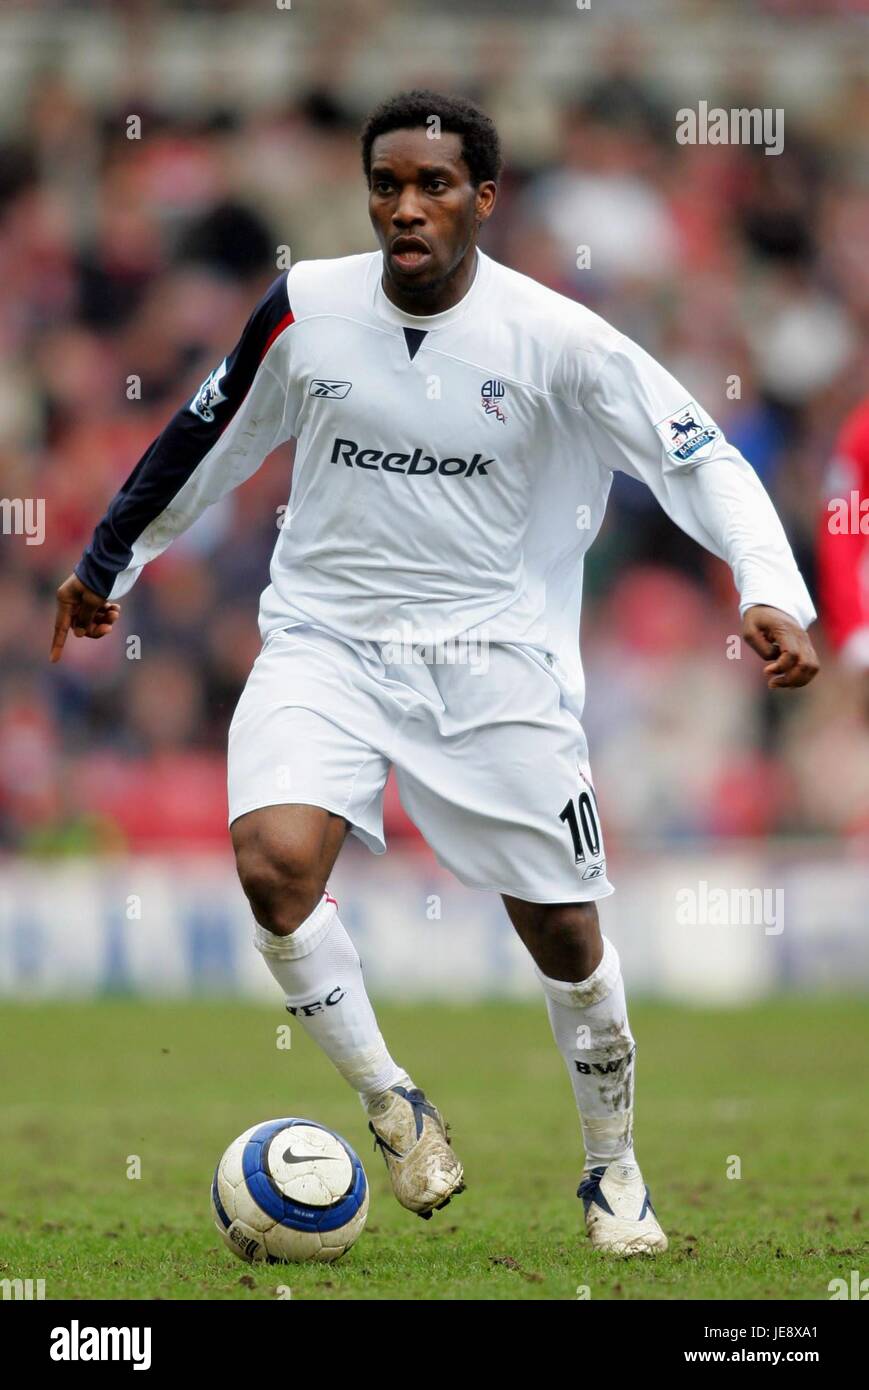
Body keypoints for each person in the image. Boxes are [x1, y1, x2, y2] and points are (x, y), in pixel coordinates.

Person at [51, 90, 819, 1257]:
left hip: (492, 666)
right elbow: (210, 433)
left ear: (483, 198)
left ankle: (611, 1168)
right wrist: (110, 558)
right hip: (325, 641)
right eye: (386, 185)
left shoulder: (556, 338)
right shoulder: (306, 306)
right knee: (272, 867)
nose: (404, 207)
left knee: (563, 936)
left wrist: (766, 583)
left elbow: (694, 454)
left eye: (433, 186)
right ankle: (391, 1101)